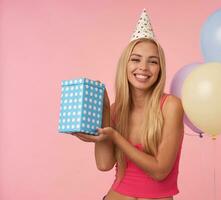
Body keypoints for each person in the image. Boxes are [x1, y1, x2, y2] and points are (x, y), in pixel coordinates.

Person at [72, 9, 184, 200]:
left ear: (160, 69)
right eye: (135, 59)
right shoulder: (116, 109)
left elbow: (160, 171)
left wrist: (115, 137)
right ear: (125, 65)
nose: (143, 68)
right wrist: (105, 111)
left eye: (153, 62)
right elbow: (104, 164)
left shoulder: (170, 106)